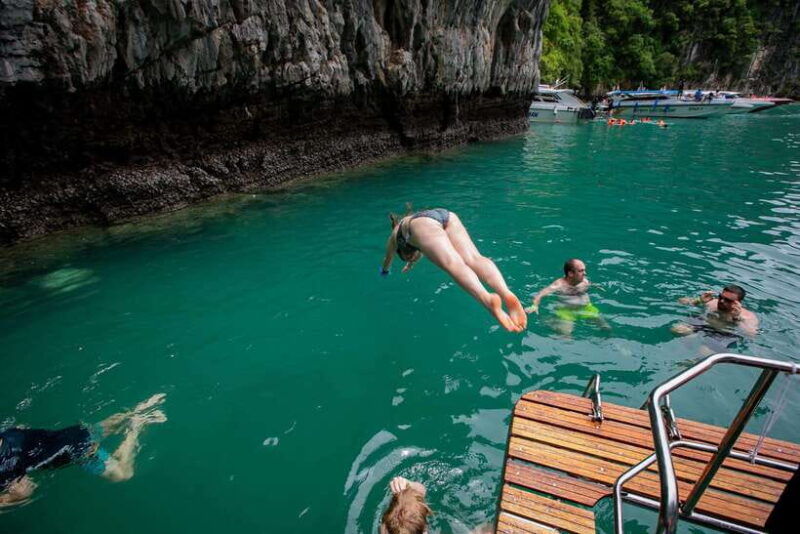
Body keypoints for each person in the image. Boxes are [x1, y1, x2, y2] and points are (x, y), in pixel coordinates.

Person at [0, 394, 167, 506]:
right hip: (72, 433)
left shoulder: (4, 468)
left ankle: (134, 429)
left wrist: (15, 497)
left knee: (124, 474)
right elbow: (22, 428)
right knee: (101, 429)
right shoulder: (8, 434)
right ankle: (137, 410)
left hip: (78, 453)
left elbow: (16, 492)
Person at [381, 208, 527, 333]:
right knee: (474, 258)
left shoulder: (394, 239)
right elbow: (421, 250)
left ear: (402, 251)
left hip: (423, 225)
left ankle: (487, 299)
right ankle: (505, 292)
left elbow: (387, 260)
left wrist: (384, 272)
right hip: (444, 215)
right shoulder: (409, 231)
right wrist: (410, 265)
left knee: (454, 264)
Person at [526, 259, 608, 336]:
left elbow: (590, 284)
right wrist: (534, 306)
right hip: (567, 312)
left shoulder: (584, 281)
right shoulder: (559, 285)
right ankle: (549, 321)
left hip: (586, 308)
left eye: (584, 270)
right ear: (570, 273)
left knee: (606, 328)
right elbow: (541, 294)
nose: (585, 273)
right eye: (581, 271)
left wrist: (596, 287)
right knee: (566, 336)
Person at [672, 284, 759, 338]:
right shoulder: (712, 303)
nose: (721, 301)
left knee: (704, 351)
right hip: (704, 324)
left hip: (722, 332)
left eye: (728, 300)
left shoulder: (747, 316)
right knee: (678, 329)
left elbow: (751, 335)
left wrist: (736, 318)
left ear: (738, 303)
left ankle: (695, 362)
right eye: (721, 297)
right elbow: (680, 301)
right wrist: (698, 300)